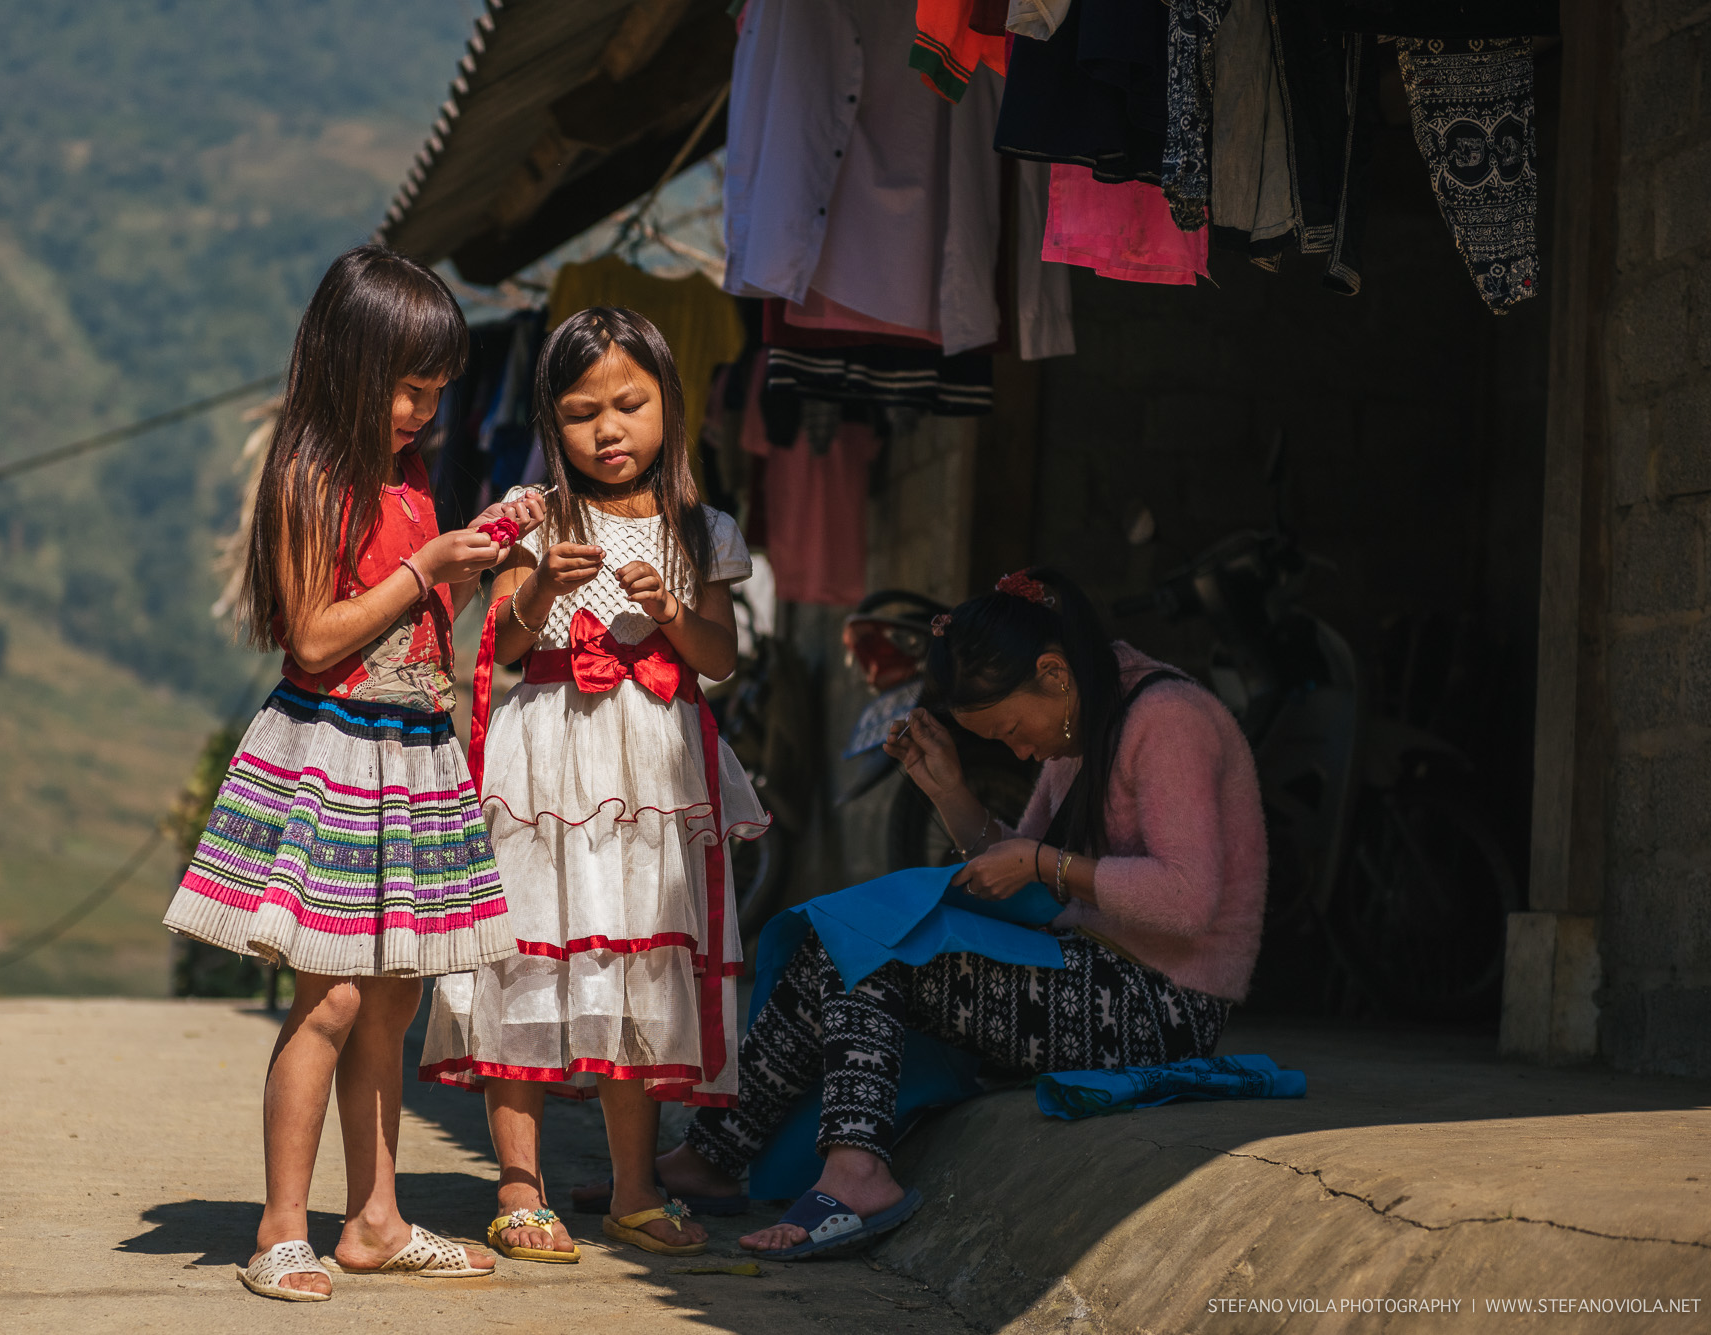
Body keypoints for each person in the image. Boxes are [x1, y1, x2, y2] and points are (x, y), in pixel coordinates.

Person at [640, 567, 1268, 1258]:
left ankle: (855, 1172)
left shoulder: (1167, 718)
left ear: (1054, 674)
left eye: (1009, 728)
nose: (1019, 750)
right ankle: (714, 1155)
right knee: (840, 940)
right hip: (1091, 966)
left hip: (1165, 1005)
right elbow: (1022, 865)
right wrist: (951, 793)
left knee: (877, 948)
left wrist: (1039, 862)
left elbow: (1186, 897)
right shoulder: (1085, 714)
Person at [163, 246, 546, 1300]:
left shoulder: (409, 481)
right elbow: (318, 633)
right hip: (330, 755)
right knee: (328, 998)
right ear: (345, 364)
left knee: (392, 997)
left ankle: (375, 1220)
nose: (424, 409)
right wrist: (426, 567)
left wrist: (485, 560)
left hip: (409, 754)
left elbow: (416, 638)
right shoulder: (309, 476)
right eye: (409, 387)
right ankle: (279, 1227)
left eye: (435, 390)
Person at [418, 307, 768, 1262]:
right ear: (550, 421)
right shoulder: (534, 516)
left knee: (636, 968)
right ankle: (518, 1188)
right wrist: (534, 588)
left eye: (629, 404)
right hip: (545, 776)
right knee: (529, 961)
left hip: (649, 775)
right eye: (581, 413)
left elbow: (721, 657)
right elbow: (503, 642)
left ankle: (634, 1188)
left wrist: (668, 611)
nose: (608, 430)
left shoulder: (703, 529)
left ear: (669, 406)